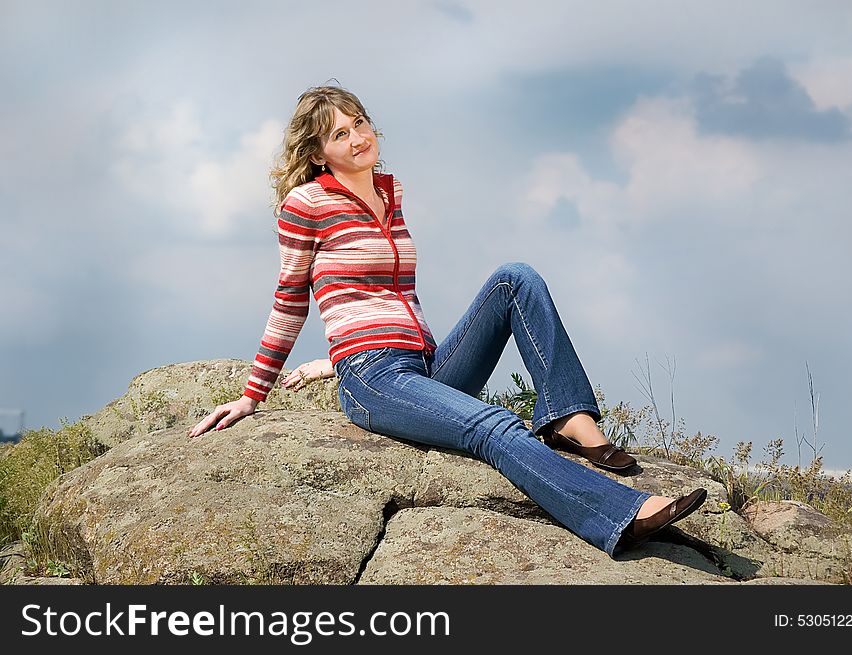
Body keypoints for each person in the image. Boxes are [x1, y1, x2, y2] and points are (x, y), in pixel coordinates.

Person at [187, 84, 707, 557]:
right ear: (318, 152)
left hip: (424, 365)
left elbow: (390, 295)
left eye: (359, 125)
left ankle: (570, 419)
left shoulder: (390, 194)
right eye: (338, 135)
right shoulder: (307, 203)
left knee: (515, 278)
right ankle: (618, 514)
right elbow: (290, 298)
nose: (355, 139)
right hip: (374, 375)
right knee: (494, 426)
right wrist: (254, 393)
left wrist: (326, 361)